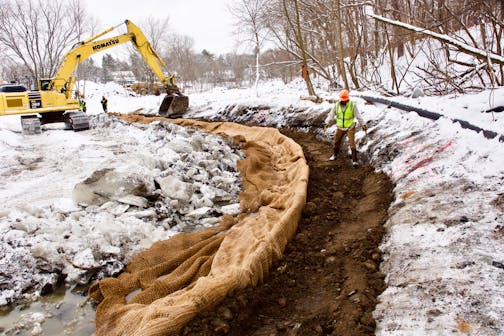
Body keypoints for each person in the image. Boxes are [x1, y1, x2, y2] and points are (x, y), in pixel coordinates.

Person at [324, 89, 367, 167]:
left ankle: (354, 161)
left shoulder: (352, 105)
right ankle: (335, 155)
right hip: (340, 127)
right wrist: (326, 123)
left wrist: (363, 124)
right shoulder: (337, 105)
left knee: (352, 144)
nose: (343, 101)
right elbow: (331, 115)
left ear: (347, 99)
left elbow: (358, 116)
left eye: (345, 100)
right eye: (342, 99)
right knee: (336, 142)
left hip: (350, 127)